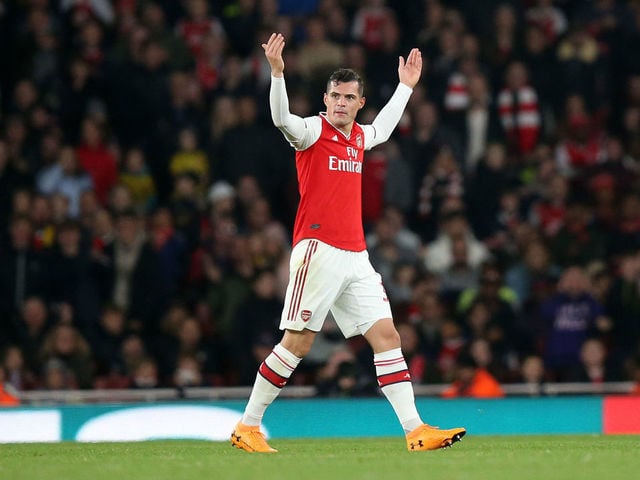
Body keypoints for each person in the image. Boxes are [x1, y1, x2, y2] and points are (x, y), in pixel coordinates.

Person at [230, 32, 465, 454]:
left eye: (348, 97)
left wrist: (406, 88)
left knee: (387, 335)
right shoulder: (311, 131)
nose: (340, 103)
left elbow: (384, 128)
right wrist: (278, 73)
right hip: (317, 251)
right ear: (325, 99)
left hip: (356, 256)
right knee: (297, 344)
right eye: (334, 96)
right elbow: (282, 118)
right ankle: (248, 425)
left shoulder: (359, 137)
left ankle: (415, 430)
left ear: (359, 102)